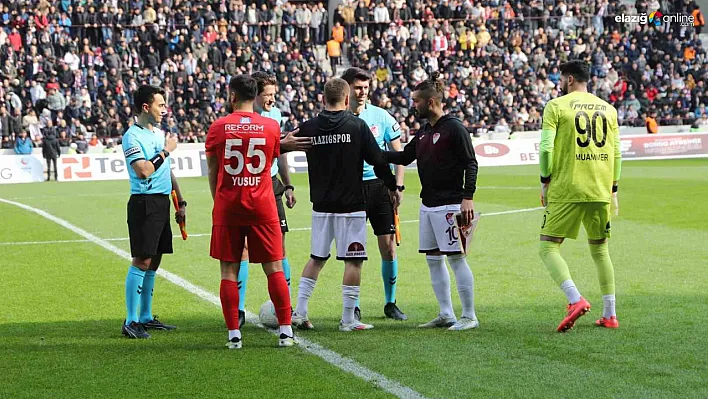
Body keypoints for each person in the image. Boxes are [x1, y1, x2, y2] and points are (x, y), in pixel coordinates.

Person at [292, 78, 398, 332]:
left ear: (323, 99)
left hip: (321, 205)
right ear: (347, 99)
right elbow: (378, 161)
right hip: (351, 205)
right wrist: (393, 185)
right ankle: (348, 319)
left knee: (316, 258)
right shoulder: (357, 126)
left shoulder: (310, 127)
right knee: (354, 261)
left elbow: (282, 143)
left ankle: (300, 311)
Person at [383, 72, 480, 331]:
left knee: (456, 259)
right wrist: (370, 151)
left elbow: (471, 163)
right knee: (434, 259)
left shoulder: (454, 128)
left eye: (416, 101)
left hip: (450, 204)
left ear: (431, 102)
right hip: (428, 204)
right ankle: (446, 313)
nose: (413, 105)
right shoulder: (426, 131)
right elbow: (404, 157)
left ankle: (469, 315)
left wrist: (467, 198)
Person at [205, 74, 295, 349]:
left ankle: (234, 335)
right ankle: (286, 331)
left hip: (229, 205)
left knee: (229, 271)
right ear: (255, 94)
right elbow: (271, 164)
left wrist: (218, 200)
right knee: (274, 268)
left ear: (232, 96)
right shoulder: (270, 126)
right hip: (263, 203)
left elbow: (213, 170)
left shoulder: (218, 128)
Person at [538, 60, 622, 332]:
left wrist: (544, 180)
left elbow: (546, 149)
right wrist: (614, 189)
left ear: (570, 79)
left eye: (562, 79)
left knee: (548, 246)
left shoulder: (556, 106)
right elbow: (617, 153)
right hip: (600, 188)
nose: (560, 83)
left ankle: (575, 299)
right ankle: (610, 314)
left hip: (567, 188)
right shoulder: (609, 109)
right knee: (600, 250)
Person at [341, 67, 407, 321]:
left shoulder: (381, 116)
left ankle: (390, 303)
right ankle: (353, 306)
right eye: (358, 87)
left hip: (380, 187)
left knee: (389, 247)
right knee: (354, 250)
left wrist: (397, 186)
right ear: (347, 89)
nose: (363, 92)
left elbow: (398, 154)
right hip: (352, 190)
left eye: (366, 87)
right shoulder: (339, 117)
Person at [121, 85, 185, 339]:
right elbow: (143, 170)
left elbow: (166, 169)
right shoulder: (132, 136)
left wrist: (180, 201)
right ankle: (130, 320)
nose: (164, 109)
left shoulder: (158, 134)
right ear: (146, 108)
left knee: (155, 260)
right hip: (143, 203)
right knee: (142, 260)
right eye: (160, 105)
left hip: (162, 202)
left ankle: (145, 317)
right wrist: (166, 150)